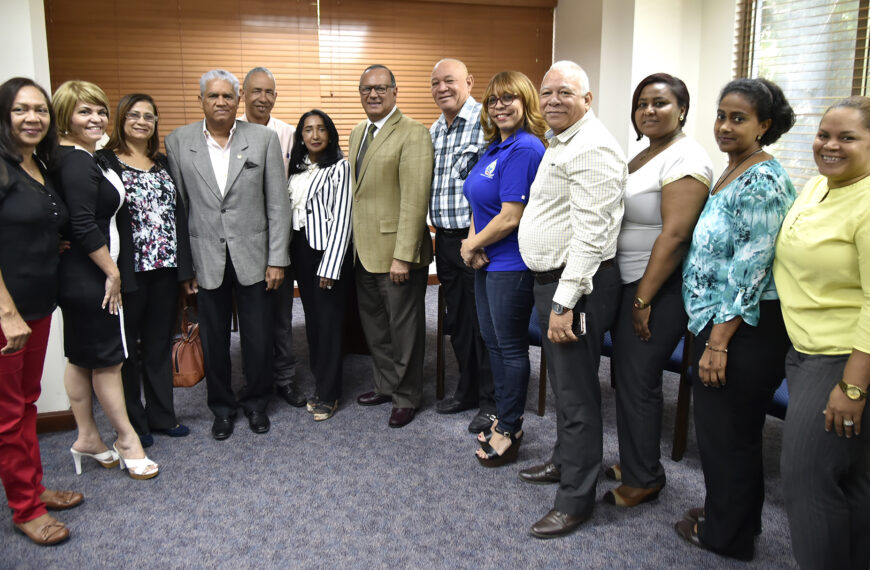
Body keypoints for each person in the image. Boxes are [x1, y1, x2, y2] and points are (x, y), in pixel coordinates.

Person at [674, 78, 796, 561]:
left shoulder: (763, 180)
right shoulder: (735, 169)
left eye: (739, 118)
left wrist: (718, 343)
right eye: (722, 115)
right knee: (731, 433)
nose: (725, 126)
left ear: (764, 125)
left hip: (742, 327)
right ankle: (736, 518)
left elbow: (751, 268)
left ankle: (727, 538)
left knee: (728, 436)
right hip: (722, 320)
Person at [517, 60, 626, 538]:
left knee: (579, 395)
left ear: (588, 99)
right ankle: (565, 461)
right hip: (556, 284)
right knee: (562, 384)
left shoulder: (594, 148)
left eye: (566, 92)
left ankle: (576, 500)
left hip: (576, 287)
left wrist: (563, 304)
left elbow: (590, 235)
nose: (553, 100)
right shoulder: (563, 141)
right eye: (547, 92)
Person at [165, 69, 290, 440]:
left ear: (239, 100)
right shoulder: (178, 141)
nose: (221, 102)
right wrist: (185, 267)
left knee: (258, 338)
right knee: (215, 340)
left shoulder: (263, 139)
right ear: (201, 100)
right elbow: (180, 209)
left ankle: (255, 403)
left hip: (254, 256)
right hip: (205, 259)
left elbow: (278, 204)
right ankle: (221, 408)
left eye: (228, 96)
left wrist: (277, 259)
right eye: (213, 96)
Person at [605, 74, 711, 507]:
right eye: (642, 104)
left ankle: (645, 476)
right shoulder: (648, 153)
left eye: (661, 103)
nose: (649, 111)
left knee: (639, 380)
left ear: (682, 109)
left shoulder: (687, 158)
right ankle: (635, 459)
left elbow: (675, 237)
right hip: (629, 280)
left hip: (657, 290)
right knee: (627, 377)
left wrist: (643, 299)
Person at [773, 96, 870, 570]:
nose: (830, 145)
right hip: (804, 347)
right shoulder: (817, 186)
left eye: (847, 137)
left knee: (807, 481)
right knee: (850, 478)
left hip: (841, 358)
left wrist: (853, 385)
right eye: (824, 134)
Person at [51, 80, 159, 481]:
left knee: (80, 358)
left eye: (99, 111)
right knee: (110, 362)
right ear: (65, 117)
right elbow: (81, 222)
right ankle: (127, 440)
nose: (95, 118)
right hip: (93, 275)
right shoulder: (77, 161)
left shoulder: (76, 156)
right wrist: (112, 271)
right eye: (84, 112)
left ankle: (87, 438)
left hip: (78, 273)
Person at [0, 77, 82, 546]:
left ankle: (32, 488)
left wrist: (55, 243)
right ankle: (25, 509)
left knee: (26, 404)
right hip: (8, 314)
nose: (33, 118)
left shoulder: (37, 166)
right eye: (19, 110)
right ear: (3, 115)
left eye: (40, 110)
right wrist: (6, 312)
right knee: (10, 414)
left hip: (37, 305)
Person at [97, 93, 193, 447]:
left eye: (149, 117)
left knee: (157, 345)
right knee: (128, 351)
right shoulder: (104, 162)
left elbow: (178, 216)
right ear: (122, 119)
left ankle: (163, 416)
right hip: (128, 271)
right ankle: (134, 424)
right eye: (134, 115)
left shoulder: (162, 162)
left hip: (165, 269)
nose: (141, 122)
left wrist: (185, 272)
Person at [462, 70, 546, 466]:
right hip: (486, 259)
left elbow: (512, 216)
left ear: (526, 101)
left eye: (508, 98)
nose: (499, 106)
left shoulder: (525, 149)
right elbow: (481, 204)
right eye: (492, 100)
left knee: (510, 347)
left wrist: (471, 246)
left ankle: (510, 427)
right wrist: (474, 245)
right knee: (492, 342)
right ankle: (502, 412)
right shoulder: (496, 148)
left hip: (511, 264)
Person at [349, 64, 434, 428]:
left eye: (381, 88)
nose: (373, 94)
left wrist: (404, 255)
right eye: (367, 89)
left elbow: (415, 200)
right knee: (376, 328)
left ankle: (406, 395)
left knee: (404, 330)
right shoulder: (357, 132)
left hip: (397, 254)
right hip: (362, 252)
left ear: (395, 92)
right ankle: (385, 384)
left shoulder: (413, 133)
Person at [429, 58, 496, 434]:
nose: (442, 88)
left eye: (449, 81)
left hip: (478, 241)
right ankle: (467, 389)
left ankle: (491, 401)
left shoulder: (486, 124)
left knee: (485, 324)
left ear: (469, 81)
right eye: (435, 83)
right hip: (446, 240)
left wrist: (478, 239)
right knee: (460, 323)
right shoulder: (435, 130)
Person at [239, 66, 303, 407]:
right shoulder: (230, 134)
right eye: (256, 91)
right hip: (242, 243)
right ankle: (254, 382)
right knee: (251, 318)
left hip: (280, 240)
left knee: (281, 316)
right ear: (243, 95)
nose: (263, 98)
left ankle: (285, 378)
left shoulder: (290, 135)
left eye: (269, 92)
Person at [287, 110, 352, 421]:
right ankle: (321, 384)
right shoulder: (296, 171)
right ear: (301, 135)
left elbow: (343, 219)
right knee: (313, 323)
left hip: (325, 253)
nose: (314, 135)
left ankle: (329, 393)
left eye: (321, 129)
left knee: (328, 326)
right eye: (308, 129)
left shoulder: (340, 168)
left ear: (330, 134)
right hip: (299, 250)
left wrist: (331, 265)